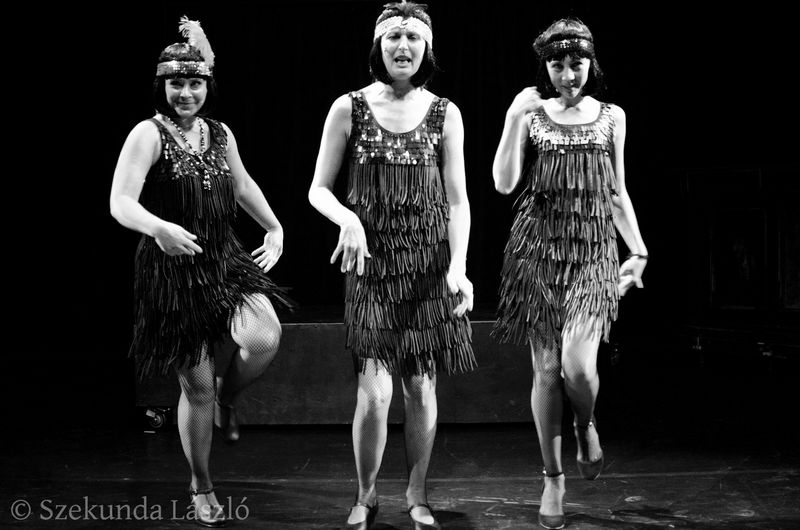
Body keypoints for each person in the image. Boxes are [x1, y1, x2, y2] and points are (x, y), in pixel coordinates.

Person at [109, 17, 290, 527]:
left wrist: (274, 227)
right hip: (172, 275)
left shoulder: (220, 132)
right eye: (176, 83)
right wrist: (157, 227)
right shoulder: (148, 134)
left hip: (224, 261)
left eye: (194, 83)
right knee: (197, 388)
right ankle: (201, 483)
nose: (186, 93)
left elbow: (242, 185)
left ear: (207, 85)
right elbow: (120, 201)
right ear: (161, 86)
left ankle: (230, 398)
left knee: (263, 336)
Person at [308, 2, 476, 528]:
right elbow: (318, 189)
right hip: (371, 269)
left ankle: (417, 493)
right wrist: (347, 218)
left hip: (428, 266)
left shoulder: (445, 113)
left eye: (413, 37)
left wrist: (458, 266)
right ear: (378, 45)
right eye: (393, 37)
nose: (403, 46)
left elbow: (457, 201)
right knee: (376, 394)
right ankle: (365, 494)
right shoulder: (349, 108)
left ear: (427, 47)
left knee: (420, 387)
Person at [491, 17, 648, 530]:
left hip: (593, 252)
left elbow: (616, 190)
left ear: (590, 62)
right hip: (537, 253)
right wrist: (513, 117)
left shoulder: (612, 116)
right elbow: (504, 183)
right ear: (546, 68)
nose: (568, 74)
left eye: (576, 63)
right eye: (557, 65)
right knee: (546, 372)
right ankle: (553, 478)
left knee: (578, 368)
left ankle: (585, 423)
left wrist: (639, 250)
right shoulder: (533, 114)